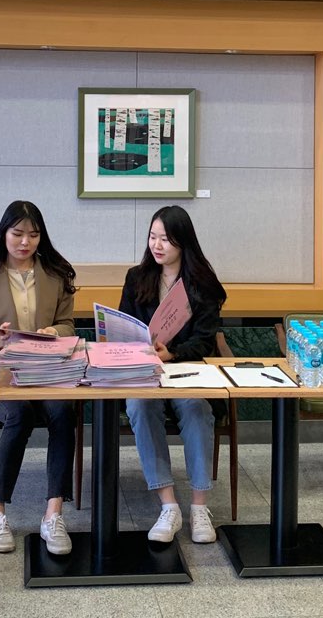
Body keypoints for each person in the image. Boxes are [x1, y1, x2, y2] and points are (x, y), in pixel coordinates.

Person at [0, 200, 78, 555]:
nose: (25, 242)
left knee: (63, 412)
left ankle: (53, 513)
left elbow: (67, 324)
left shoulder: (56, 276)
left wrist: (54, 332)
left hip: (44, 373)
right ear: (4, 234)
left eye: (33, 234)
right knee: (20, 413)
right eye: (17, 233)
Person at [119, 205, 227, 544]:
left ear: (183, 241)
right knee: (139, 405)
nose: (157, 245)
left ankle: (199, 506)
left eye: (165, 239)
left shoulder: (203, 283)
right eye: (152, 237)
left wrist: (174, 352)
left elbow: (206, 340)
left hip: (186, 371)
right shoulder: (137, 278)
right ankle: (168, 505)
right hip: (145, 372)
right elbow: (124, 326)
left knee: (195, 407)